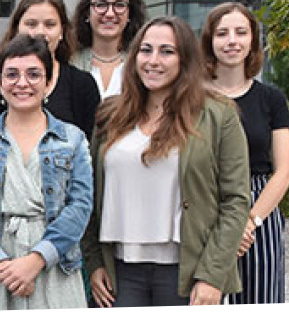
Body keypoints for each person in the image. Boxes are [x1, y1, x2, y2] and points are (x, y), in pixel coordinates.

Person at [81, 17, 250, 307]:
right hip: (119, 271)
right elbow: (89, 193)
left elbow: (235, 201)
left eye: (166, 51)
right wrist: (94, 262)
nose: (153, 60)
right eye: (146, 50)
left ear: (185, 59)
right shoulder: (110, 115)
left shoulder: (218, 115)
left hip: (185, 272)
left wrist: (212, 275)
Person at [0, 34, 93, 311]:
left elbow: (81, 206)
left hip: (54, 264)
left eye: (33, 74)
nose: (22, 83)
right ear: (0, 82)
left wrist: (37, 259)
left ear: (48, 82)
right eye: (12, 75)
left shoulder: (72, 139)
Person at [202, 2, 289, 304]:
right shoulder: (192, 98)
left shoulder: (272, 99)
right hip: (205, 203)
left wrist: (249, 222)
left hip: (259, 210)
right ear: (210, 41)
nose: (232, 41)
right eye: (222, 33)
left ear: (252, 40)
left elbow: (283, 171)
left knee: (259, 306)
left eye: (241, 32)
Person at [0, 0, 101, 139]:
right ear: (17, 29)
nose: (40, 32)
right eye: (31, 24)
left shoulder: (82, 85)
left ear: (62, 31)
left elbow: (88, 149)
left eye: (50, 24)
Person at [70, 0, 146, 99]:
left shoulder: (141, 63)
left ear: (130, 14)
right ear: (87, 13)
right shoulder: (69, 61)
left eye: (119, 5)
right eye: (101, 5)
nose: (110, 14)